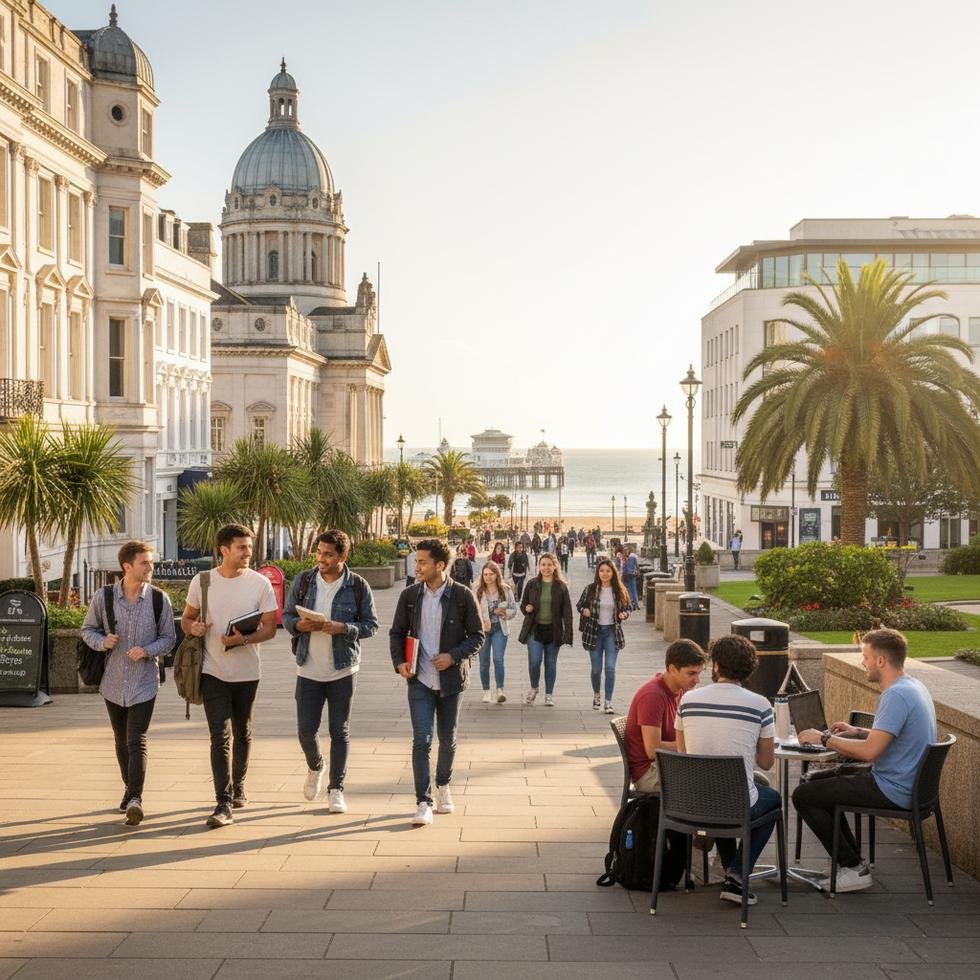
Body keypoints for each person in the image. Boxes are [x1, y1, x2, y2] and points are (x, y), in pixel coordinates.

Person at [793, 627, 937, 894]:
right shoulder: (913, 686)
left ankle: (852, 867)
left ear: (881, 661)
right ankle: (851, 863)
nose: (863, 663)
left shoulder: (894, 695)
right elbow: (892, 736)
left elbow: (870, 753)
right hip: (909, 784)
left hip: (893, 788)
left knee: (804, 795)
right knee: (814, 783)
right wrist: (857, 731)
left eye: (866, 657)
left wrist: (823, 738)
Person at [182, 524, 278, 830]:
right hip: (212, 670)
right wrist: (194, 627)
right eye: (242, 547)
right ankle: (222, 802)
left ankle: (239, 785)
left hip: (247, 672)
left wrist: (244, 639)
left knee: (243, 731)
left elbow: (270, 628)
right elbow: (186, 619)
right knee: (219, 736)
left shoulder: (260, 583)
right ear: (224, 550)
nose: (248, 552)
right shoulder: (203, 581)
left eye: (249, 546)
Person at [675, 634, 779, 906]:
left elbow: (683, 752)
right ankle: (737, 874)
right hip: (734, 804)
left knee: (728, 792)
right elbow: (767, 763)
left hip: (691, 803)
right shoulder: (761, 705)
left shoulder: (688, 700)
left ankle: (731, 870)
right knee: (772, 799)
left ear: (717, 665)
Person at [389, 539, 484, 826]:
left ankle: (443, 785)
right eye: (416, 561)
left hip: (451, 681)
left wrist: (452, 656)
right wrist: (400, 662)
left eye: (422, 562)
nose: (416, 567)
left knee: (447, 738)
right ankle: (423, 801)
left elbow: (477, 636)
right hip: (419, 680)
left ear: (440, 565)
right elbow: (396, 633)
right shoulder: (409, 596)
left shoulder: (463, 596)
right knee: (422, 740)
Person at [283, 530, 379, 814]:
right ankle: (316, 766)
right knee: (305, 731)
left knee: (340, 731)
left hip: (343, 670)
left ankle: (336, 789)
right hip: (308, 668)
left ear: (342, 556)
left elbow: (371, 625)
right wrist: (299, 625)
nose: (321, 558)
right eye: (319, 552)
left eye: (328, 554)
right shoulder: (303, 581)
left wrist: (343, 628)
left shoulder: (358, 586)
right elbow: (286, 616)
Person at [81, 541, 175, 826]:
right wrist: (102, 641)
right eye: (145, 562)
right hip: (112, 681)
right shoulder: (104, 597)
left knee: (137, 739)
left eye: (151, 562)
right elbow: (87, 629)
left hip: (144, 681)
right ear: (127, 566)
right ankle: (128, 786)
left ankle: (135, 798)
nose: (151, 567)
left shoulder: (159, 599)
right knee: (121, 740)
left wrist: (146, 650)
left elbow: (169, 638)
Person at [624, 639, 707, 792]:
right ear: (672, 669)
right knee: (714, 782)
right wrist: (690, 745)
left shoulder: (680, 689)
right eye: (691, 673)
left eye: (699, 673)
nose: (697, 680)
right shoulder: (653, 695)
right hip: (649, 773)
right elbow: (652, 749)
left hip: (668, 764)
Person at [576, 557, 631, 713]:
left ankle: (608, 702)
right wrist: (584, 610)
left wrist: (624, 614)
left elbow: (628, 607)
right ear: (597, 573)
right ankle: (597, 694)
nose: (605, 574)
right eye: (601, 571)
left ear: (613, 573)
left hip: (612, 632)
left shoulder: (619, 590)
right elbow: (579, 605)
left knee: (610, 668)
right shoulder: (590, 589)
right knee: (596, 669)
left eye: (608, 571)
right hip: (594, 632)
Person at [519, 553, 573, 707]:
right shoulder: (532, 584)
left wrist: (568, 634)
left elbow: (567, 612)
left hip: (553, 631)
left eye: (549, 565)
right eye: (543, 564)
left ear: (555, 566)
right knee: (534, 662)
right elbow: (523, 605)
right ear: (539, 566)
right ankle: (534, 688)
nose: (546, 568)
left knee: (550, 663)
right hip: (535, 630)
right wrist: (527, 608)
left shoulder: (561, 587)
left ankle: (549, 694)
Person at [474, 562, 518, 703]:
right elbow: (470, 611)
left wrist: (504, 613)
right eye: (485, 574)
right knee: (484, 662)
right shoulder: (477, 590)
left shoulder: (505, 590)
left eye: (491, 574)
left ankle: (500, 690)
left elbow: (514, 609)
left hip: (500, 628)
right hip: (483, 630)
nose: (488, 577)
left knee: (498, 659)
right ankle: (486, 690)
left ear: (497, 574)